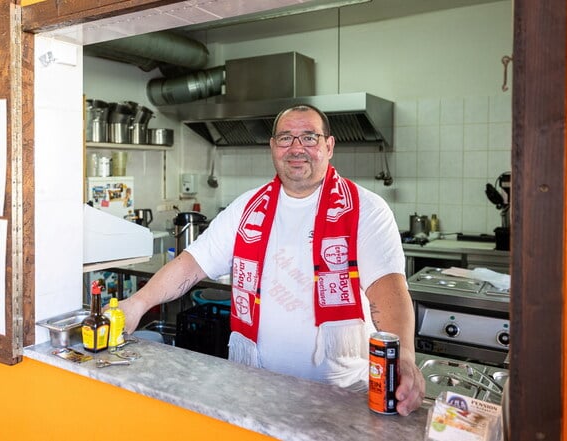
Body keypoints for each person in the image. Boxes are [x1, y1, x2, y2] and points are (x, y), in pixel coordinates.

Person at [118, 104, 425, 416]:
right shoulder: (247, 207)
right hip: (254, 388)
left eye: (309, 138)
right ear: (272, 147)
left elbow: (387, 289)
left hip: (338, 396)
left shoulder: (365, 209)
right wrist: (137, 304)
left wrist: (405, 358)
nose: (296, 149)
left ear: (329, 146)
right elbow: (192, 263)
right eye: (285, 139)